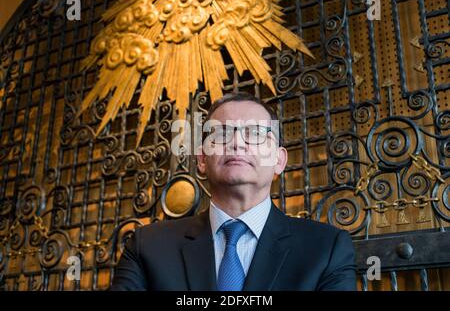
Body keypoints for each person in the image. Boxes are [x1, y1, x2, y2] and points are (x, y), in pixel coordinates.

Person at [110, 92, 356, 291]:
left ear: (279, 160)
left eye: (256, 133)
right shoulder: (148, 247)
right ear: (202, 159)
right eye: (221, 133)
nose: (237, 143)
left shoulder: (325, 249)